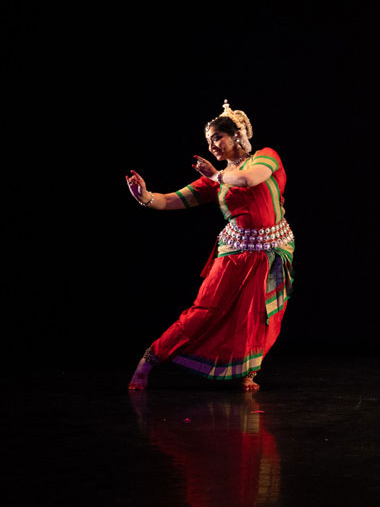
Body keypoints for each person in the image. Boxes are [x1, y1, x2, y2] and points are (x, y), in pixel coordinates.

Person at [124, 100, 295, 391]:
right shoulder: (216, 181)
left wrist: (215, 175)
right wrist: (146, 197)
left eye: (217, 137)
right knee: (205, 310)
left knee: (258, 315)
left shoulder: (265, 158)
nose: (212, 145)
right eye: (208, 141)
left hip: (272, 250)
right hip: (235, 253)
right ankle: (149, 361)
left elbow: (248, 179)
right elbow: (171, 200)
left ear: (237, 135)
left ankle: (247, 371)